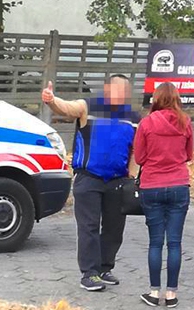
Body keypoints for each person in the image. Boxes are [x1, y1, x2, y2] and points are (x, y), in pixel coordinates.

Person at [41, 75, 140, 291]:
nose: (121, 93)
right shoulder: (88, 107)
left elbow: (135, 150)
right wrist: (51, 100)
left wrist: (131, 176)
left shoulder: (132, 117)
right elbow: (66, 108)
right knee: (89, 226)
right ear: (107, 90)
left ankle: (105, 267)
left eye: (125, 90)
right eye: (117, 89)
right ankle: (89, 273)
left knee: (114, 229)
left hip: (118, 181)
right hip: (89, 178)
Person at [133, 83, 194, 307]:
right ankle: (171, 294)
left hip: (152, 186)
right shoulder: (185, 122)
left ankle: (153, 292)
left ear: (156, 99)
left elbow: (139, 158)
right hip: (179, 184)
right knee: (175, 243)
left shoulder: (146, 123)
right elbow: (188, 155)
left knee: (156, 243)